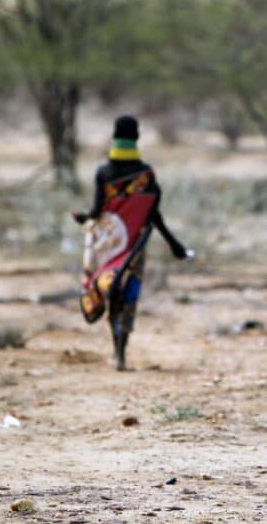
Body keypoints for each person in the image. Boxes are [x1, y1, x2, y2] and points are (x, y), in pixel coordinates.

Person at [73, 115, 189, 371]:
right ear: (137, 138)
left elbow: (97, 210)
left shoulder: (103, 173)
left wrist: (83, 218)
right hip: (134, 246)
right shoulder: (146, 176)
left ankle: (116, 349)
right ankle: (120, 354)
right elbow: (153, 213)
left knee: (111, 291)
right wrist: (173, 243)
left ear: (114, 138)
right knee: (128, 297)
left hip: (107, 247)